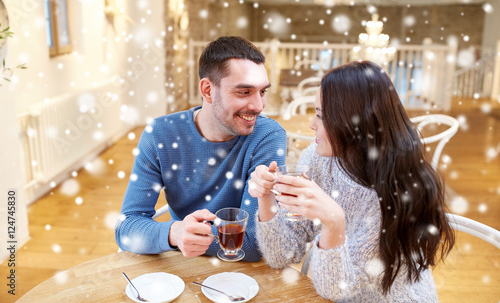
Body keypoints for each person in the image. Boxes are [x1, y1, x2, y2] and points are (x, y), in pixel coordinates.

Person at [248, 61, 455, 301]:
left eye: (321, 116)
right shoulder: (317, 160)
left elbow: (337, 288)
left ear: (354, 124)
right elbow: (281, 255)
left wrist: (334, 221)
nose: (312, 124)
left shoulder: (395, 193)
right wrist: (266, 199)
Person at [115, 36, 287, 262]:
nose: (258, 106)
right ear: (207, 90)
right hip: (183, 264)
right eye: (244, 92)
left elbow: (253, 244)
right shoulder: (160, 134)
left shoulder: (268, 135)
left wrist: (178, 236)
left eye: (262, 92)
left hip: (241, 274)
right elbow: (126, 228)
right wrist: (174, 233)